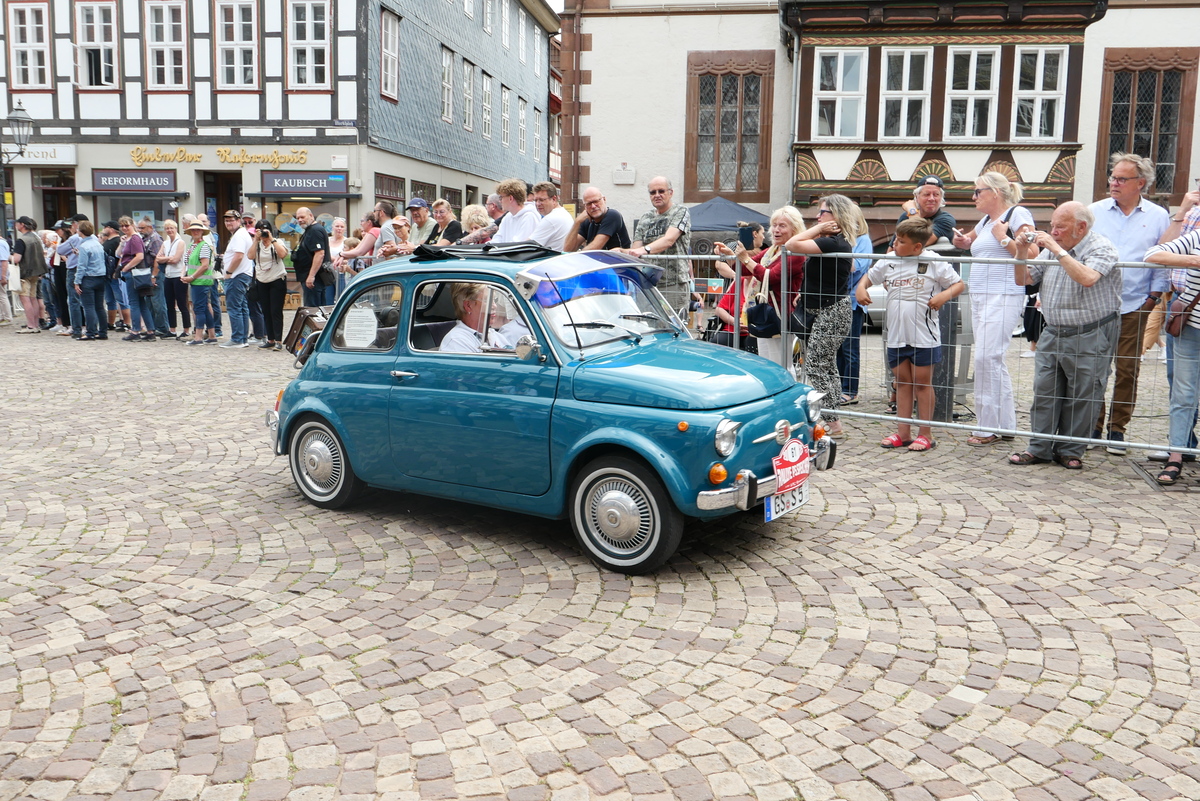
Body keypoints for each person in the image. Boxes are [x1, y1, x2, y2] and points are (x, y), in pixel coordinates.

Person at [1009, 202, 1122, 470]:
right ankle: (1038, 448)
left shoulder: (1101, 247)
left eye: (1060, 227)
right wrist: (1021, 251)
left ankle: (1070, 450)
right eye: (1052, 226)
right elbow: (1023, 279)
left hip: (1091, 331)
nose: (1053, 232)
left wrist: (1057, 249)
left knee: (1084, 395)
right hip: (1053, 330)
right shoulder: (1053, 249)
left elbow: (1087, 278)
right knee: (1044, 392)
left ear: (1081, 227)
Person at [857, 217, 966, 452]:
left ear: (917, 247)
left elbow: (958, 284)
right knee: (902, 383)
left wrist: (943, 296)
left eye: (901, 241)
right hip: (896, 336)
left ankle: (925, 434)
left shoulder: (933, 261)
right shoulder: (889, 260)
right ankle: (903, 433)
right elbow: (869, 276)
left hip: (924, 336)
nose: (895, 244)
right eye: (895, 239)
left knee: (922, 384)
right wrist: (860, 288)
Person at [1088, 152, 1170, 454]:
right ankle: (1093, 427)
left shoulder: (1158, 216)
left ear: (1141, 183)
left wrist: (1152, 298)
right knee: (1094, 369)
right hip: (1097, 303)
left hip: (1136, 304)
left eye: (1122, 179)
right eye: (1113, 177)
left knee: (1127, 370)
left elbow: (1162, 258)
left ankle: (1117, 430)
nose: (1114, 183)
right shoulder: (1094, 212)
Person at [951, 171, 1036, 446]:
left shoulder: (1017, 214)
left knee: (986, 358)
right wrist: (963, 242)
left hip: (1003, 294)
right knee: (992, 359)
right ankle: (1006, 425)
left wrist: (1003, 238)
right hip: (981, 296)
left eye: (978, 191)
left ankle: (986, 427)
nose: (973, 196)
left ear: (995, 193)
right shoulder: (986, 220)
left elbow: (1032, 254)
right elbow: (971, 241)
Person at [785, 194, 862, 438]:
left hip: (833, 311)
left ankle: (831, 420)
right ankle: (832, 418)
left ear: (836, 215)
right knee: (826, 365)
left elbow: (791, 244)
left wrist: (818, 229)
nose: (818, 217)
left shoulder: (834, 242)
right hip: (826, 309)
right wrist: (803, 292)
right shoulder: (832, 242)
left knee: (817, 365)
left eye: (823, 212)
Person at [1143, 223, 1200, 483]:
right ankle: (1176, 456)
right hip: (1192, 327)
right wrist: (1194, 260)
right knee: (1183, 393)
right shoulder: (1198, 237)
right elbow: (1151, 254)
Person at [715, 208, 804, 365]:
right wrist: (729, 255)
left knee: (780, 364)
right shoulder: (772, 250)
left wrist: (745, 258)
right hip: (764, 312)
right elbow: (745, 270)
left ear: (795, 229)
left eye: (782, 226)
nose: (776, 230)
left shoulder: (795, 253)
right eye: (774, 225)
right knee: (766, 361)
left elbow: (771, 276)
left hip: (780, 314)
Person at [627, 176, 693, 315]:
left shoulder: (680, 211)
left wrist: (645, 249)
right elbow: (635, 249)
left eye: (661, 191)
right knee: (648, 324)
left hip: (674, 284)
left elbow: (669, 240)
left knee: (675, 325)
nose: (657, 195)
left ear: (671, 192)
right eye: (653, 192)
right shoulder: (645, 218)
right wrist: (621, 251)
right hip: (648, 284)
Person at [710, 224, 765, 352]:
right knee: (716, 343)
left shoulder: (762, 283)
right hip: (732, 329)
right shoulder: (735, 247)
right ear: (755, 234)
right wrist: (734, 321)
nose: (763, 237)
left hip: (753, 332)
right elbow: (719, 264)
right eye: (762, 233)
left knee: (751, 345)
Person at [839, 205, 874, 404]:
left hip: (853, 302)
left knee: (849, 348)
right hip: (838, 301)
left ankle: (850, 390)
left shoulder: (863, 240)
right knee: (837, 347)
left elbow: (855, 267)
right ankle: (838, 387)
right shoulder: (842, 239)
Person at [115, 217, 157, 341]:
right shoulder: (129, 239)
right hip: (133, 273)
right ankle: (150, 331)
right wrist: (122, 243)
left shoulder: (134, 238)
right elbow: (118, 254)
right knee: (141, 303)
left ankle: (136, 331)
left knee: (134, 302)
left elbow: (139, 256)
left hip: (133, 273)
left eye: (126, 225)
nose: (124, 228)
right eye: (122, 226)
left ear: (132, 225)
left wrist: (126, 267)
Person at [251, 219, 290, 351]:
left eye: (265, 230)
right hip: (262, 280)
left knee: (275, 311)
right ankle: (270, 339)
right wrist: (255, 240)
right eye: (260, 230)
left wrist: (271, 239)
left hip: (277, 279)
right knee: (266, 311)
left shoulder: (277, 242)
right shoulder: (257, 244)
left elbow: (283, 254)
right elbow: (250, 256)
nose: (263, 233)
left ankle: (278, 340)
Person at [219, 209, 254, 348]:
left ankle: (237, 339)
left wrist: (229, 271)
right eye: (226, 220)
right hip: (241, 275)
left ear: (239, 221)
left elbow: (239, 256)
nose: (228, 223)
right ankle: (242, 338)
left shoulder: (239, 235)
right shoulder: (241, 234)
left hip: (236, 276)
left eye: (231, 220)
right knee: (242, 307)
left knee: (234, 308)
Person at [181, 221, 217, 346]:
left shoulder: (204, 246)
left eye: (198, 230)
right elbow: (187, 263)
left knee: (199, 309)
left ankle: (198, 337)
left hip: (201, 281)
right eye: (193, 230)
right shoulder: (192, 245)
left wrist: (191, 277)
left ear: (202, 232)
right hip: (196, 280)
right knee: (204, 308)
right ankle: (212, 335)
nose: (195, 232)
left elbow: (205, 265)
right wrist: (184, 274)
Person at [564, 186, 631, 252]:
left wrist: (578, 254)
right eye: (589, 203)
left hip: (618, 258)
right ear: (585, 206)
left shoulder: (613, 215)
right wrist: (577, 222)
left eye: (596, 201)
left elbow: (594, 248)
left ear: (604, 199)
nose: (593, 206)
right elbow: (567, 250)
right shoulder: (587, 220)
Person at [73, 221, 108, 341]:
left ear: (81, 232)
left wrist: (77, 281)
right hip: (100, 277)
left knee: (89, 307)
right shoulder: (98, 244)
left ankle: (90, 332)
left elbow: (82, 266)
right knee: (100, 307)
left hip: (88, 278)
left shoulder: (84, 246)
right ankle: (103, 331)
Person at [898, 176, 957, 246]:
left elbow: (920, 241)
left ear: (941, 198)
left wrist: (912, 211)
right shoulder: (906, 216)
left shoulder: (946, 219)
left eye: (936, 195)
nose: (931, 198)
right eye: (927, 194)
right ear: (917, 197)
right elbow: (894, 246)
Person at [12, 216, 47, 333]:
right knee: (33, 298)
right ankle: (35, 324)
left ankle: (31, 325)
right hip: (36, 272)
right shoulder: (36, 238)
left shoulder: (21, 240)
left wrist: (8, 257)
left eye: (17, 223)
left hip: (24, 272)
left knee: (25, 299)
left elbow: (16, 259)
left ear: (22, 225)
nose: (16, 226)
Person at [294, 206, 333, 308]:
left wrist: (311, 276)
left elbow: (320, 254)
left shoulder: (315, 230)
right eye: (298, 218)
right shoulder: (310, 230)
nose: (300, 220)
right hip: (311, 277)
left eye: (302, 217)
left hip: (314, 279)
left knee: (313, 310)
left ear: (311, 216)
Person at [138, 218, 170, 339]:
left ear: (150, 227)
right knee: (149, 302)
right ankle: (152, 327)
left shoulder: (155, 239)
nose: (140, 230)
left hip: (155, 272)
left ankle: (162, 328)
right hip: (147, 272)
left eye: (142, 228)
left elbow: (158, 259)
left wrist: (154, 276)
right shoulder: (145, 239)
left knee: (157, 301)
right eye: (139, 228)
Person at [156, 219, 188, 339]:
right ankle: (172, 330)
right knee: (169, 304)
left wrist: (165, 258)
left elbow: (176, 259)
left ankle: (186, 330)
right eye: (167, 228)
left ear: (176, 229)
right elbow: (158, 258)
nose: (169, 230)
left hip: (179, 275)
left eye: (171, 228)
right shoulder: (165, 243)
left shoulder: (180, 242)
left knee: (182, 303)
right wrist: (168, 258)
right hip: (168, 275)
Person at [100, 220, 131, 333]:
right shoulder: (108, 241)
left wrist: (117, 271)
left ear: (112, 229)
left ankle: (127, 323)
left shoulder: (117, 241)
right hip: (107, 274)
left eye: (106, 227)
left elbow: (121, 257)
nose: (104, 229)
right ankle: (111, 323)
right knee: (110, 300)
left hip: (115, 275)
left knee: (121, 299)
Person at [439, 282, 486, 353]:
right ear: (468, 306)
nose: (494, 306)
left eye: (495, 300)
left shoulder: (491, 333)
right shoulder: (456, 341)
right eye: (486, 300)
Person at [530, 182, 573, 250]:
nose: (538, 204)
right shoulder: (564, 213)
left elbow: (528, 247)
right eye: (535, 200)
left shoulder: (551, 219)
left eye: (541, 200)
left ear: (554, 199)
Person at [0, 233, 11, 326]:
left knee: (2, 296)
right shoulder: (3, 242)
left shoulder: (0, 243)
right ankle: (3, 316)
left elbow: (4, 261)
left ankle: (7, 317)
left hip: (1, 274)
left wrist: (3, 276)